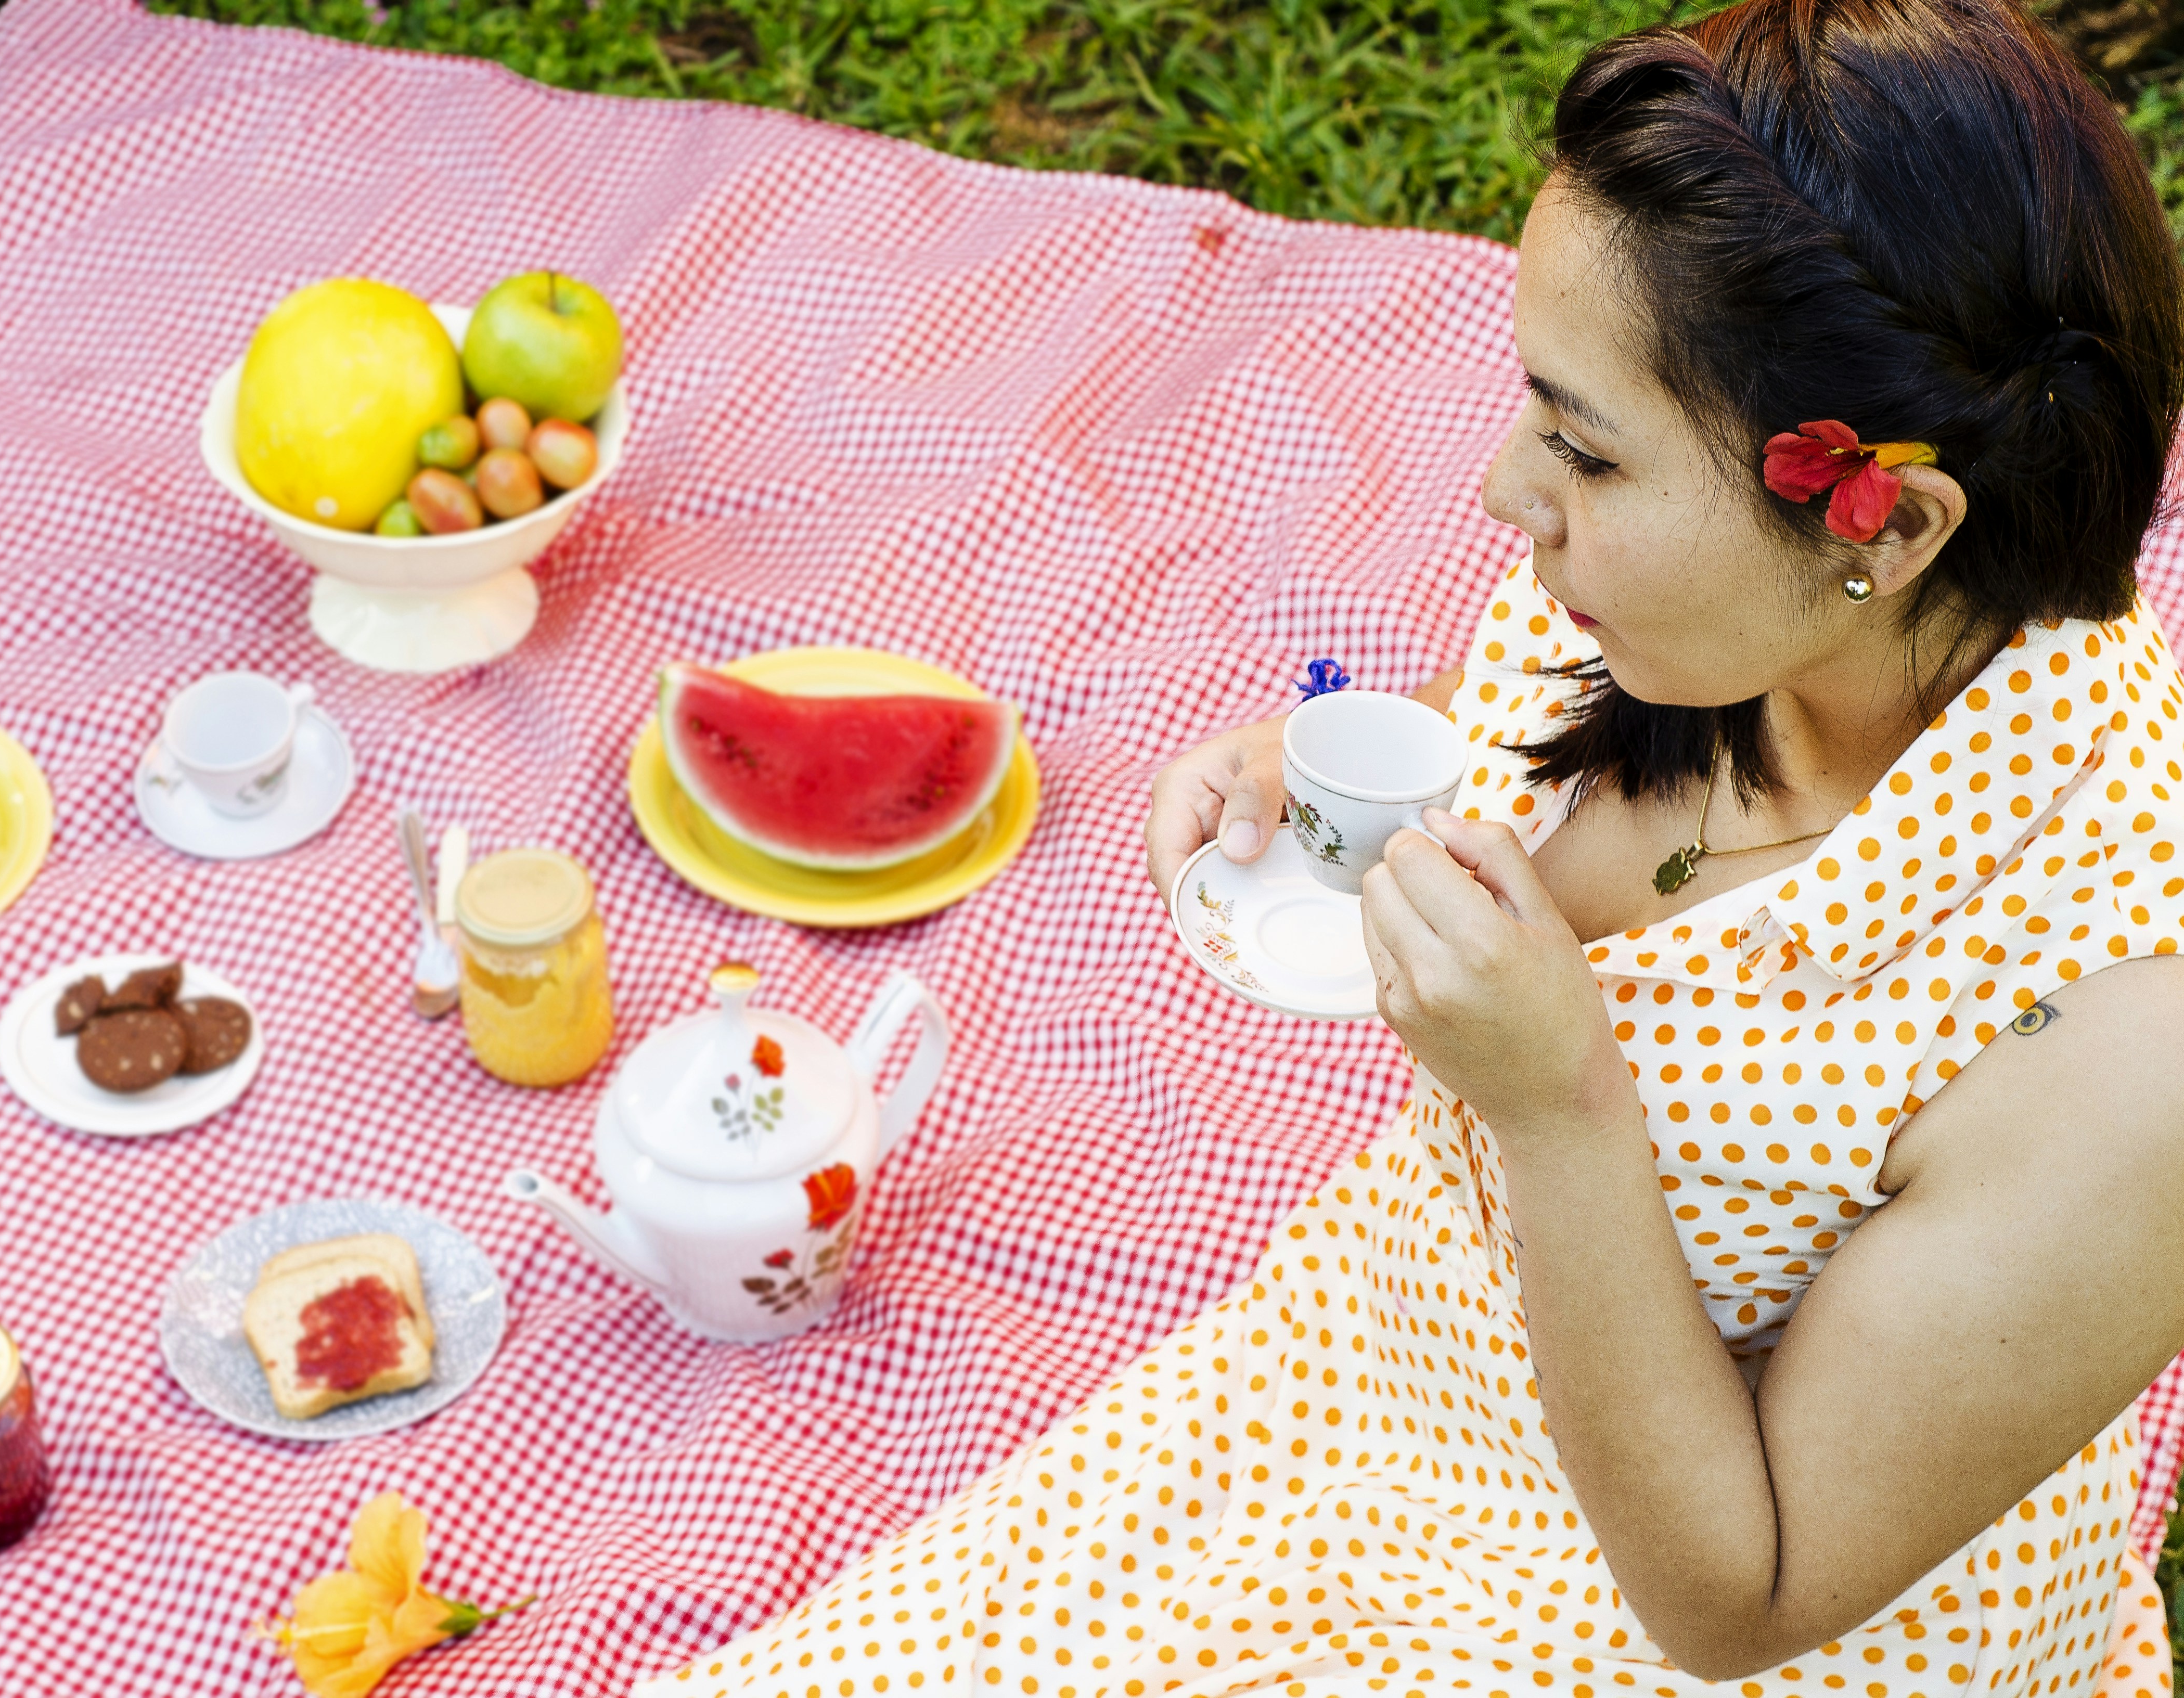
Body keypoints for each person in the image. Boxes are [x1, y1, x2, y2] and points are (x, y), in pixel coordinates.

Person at [645, 0, 2184, 1689]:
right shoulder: (1708, 621)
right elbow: (1515, 722)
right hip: (1382, 1374)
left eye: (1588, 449)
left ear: (1882, 524)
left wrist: (1560, 1102)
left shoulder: (2130, 1054)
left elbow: (1741, 1598)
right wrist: (1322, 775)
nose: (1501, 490)